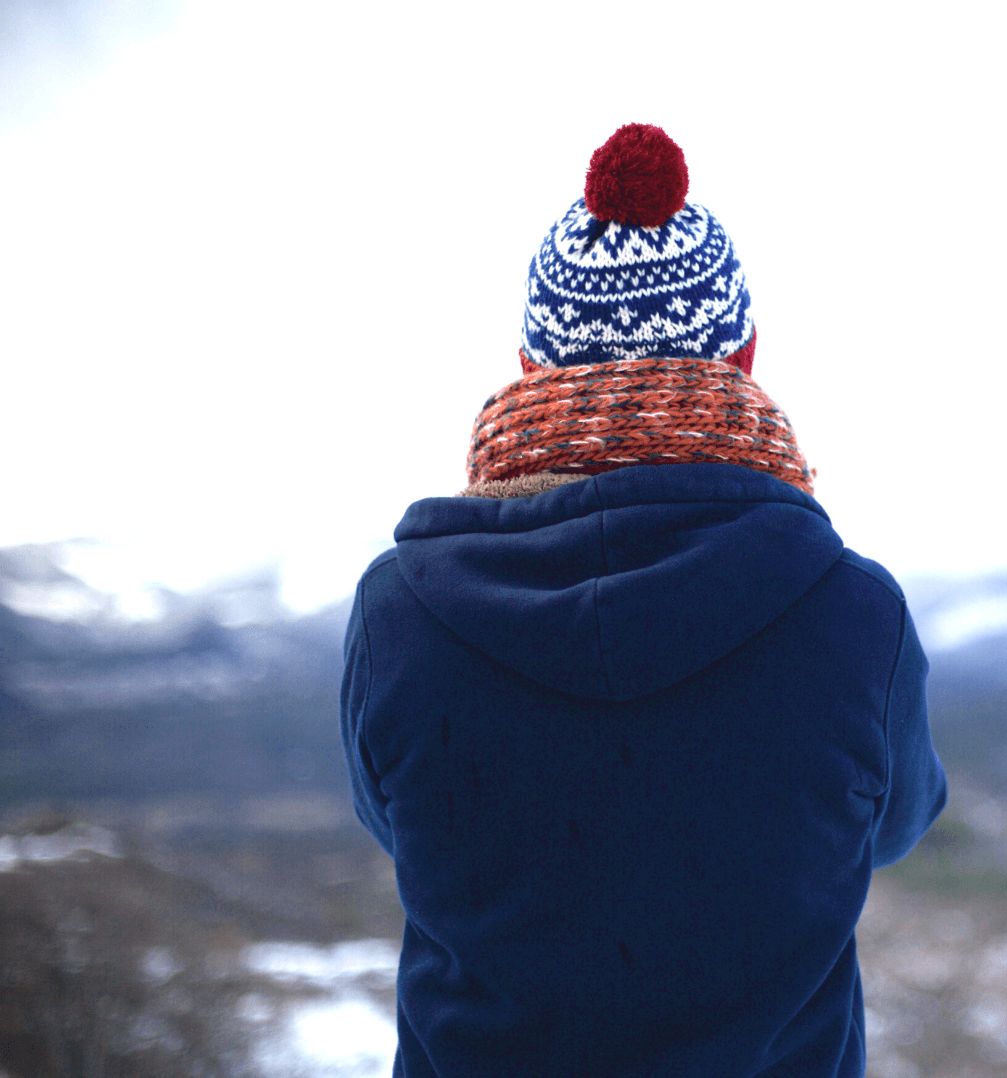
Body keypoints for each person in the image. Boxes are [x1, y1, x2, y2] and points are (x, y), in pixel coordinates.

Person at [339, 123, 947, 1077]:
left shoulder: (399, 614)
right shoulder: (854, 614)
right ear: (743, 357)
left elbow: (399, 824)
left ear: (532, 365)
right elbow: (896, 821)